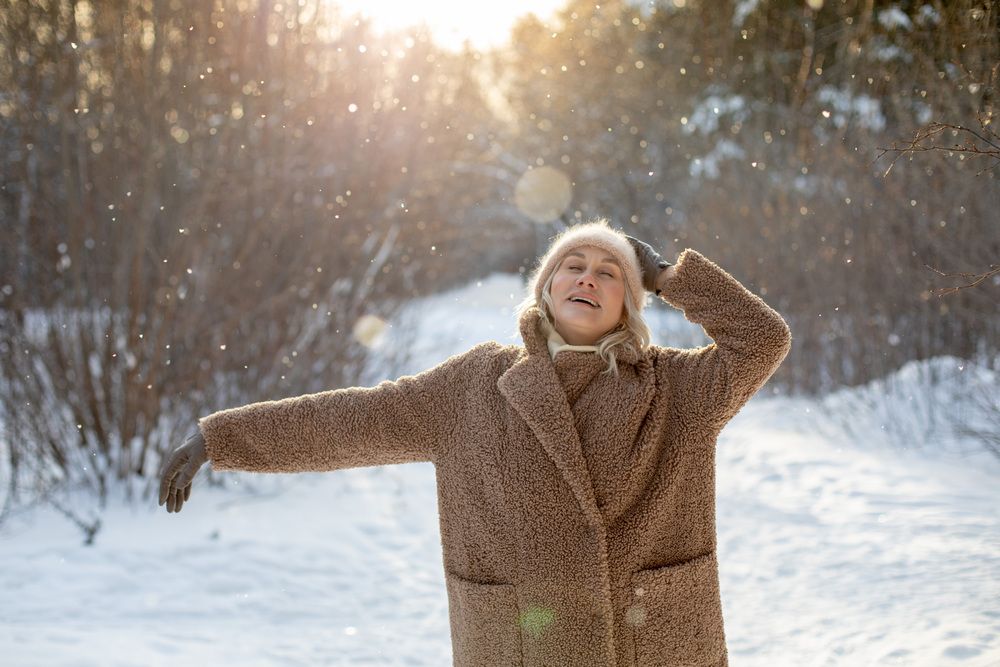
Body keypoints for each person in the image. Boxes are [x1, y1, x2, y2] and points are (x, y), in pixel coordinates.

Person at [159, 218, 792, 667]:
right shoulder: (475, 386)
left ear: (631, 303)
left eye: (610, 273)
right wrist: (222, 438)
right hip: (519, 646)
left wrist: (667, 274)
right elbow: (356, 420)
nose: (588, 278)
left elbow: (762, 339)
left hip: (653, 643)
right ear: (545, 287)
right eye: (572, 265)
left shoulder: (678, 389)